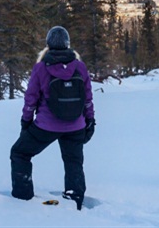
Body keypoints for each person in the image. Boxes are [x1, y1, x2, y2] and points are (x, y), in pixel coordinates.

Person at [10, 26, 95, 210]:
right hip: (75, 125)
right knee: (74, 162)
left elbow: (31, 99)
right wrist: (90, 121)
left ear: (48, 44)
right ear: (67, 44)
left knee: (20, 153)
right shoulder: (80, 67)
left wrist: (26, 121)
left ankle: (22, 199)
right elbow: (87, 98)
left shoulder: (41, 67)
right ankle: (75, 200)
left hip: (46, 126)